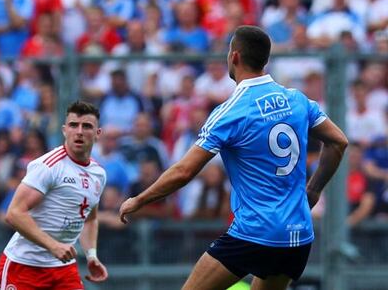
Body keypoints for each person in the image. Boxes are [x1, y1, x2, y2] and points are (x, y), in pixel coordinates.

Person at [119, 25, 349, 290]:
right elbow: (338, 142)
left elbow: (184, 171)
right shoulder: (297, 99)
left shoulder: (232, 111)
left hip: (254, 233)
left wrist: (139, 199)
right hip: (297, 236)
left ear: (235, 57)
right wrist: (314, 189)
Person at [0, 101, 109, 290]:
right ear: (65, 130)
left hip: (63, 269)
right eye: (74, 125)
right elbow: (14, 214)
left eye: (87, 126)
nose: (79, 131)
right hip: (24, 266)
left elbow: (90, 219)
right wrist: (54, 246)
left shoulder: (98, 174)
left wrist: (91, 255)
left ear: (98, 133)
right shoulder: (48, 166)